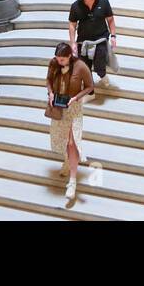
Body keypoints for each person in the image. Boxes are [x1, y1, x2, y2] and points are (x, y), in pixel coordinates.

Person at [46, 41, 93, 203]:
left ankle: (72, 181)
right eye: (58, 59)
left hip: (74, 109)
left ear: (69, 56)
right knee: (63, 140)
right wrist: (51, 93)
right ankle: (67, 161)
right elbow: (48, 81)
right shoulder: (53, 64)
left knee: (72, 142)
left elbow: (89, 87)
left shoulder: (80, 66)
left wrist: (76, 97)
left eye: (63, 60)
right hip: (59, 107)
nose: (60, 62)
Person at [69, 0, 116, 89]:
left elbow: (110, 19)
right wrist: (72, 43)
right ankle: (89, 88)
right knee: (84, 67)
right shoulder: (76, 6)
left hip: (100, 38)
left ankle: (103, 75)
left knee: (99, 64)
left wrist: (113, 35)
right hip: (83, 40)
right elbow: (72, 24)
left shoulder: (104, 1)